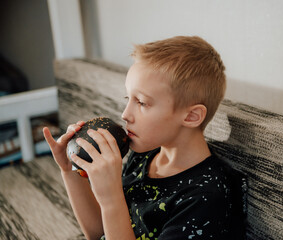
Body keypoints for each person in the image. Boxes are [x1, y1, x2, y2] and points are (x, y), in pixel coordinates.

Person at [43, 36, 245, 240]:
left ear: (191, 116)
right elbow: (99, 233)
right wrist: (70, 170)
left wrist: (111, 198)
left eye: (141, 102)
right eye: (127, 98)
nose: (125, 114)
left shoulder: (205, 197)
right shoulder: (144, 155)